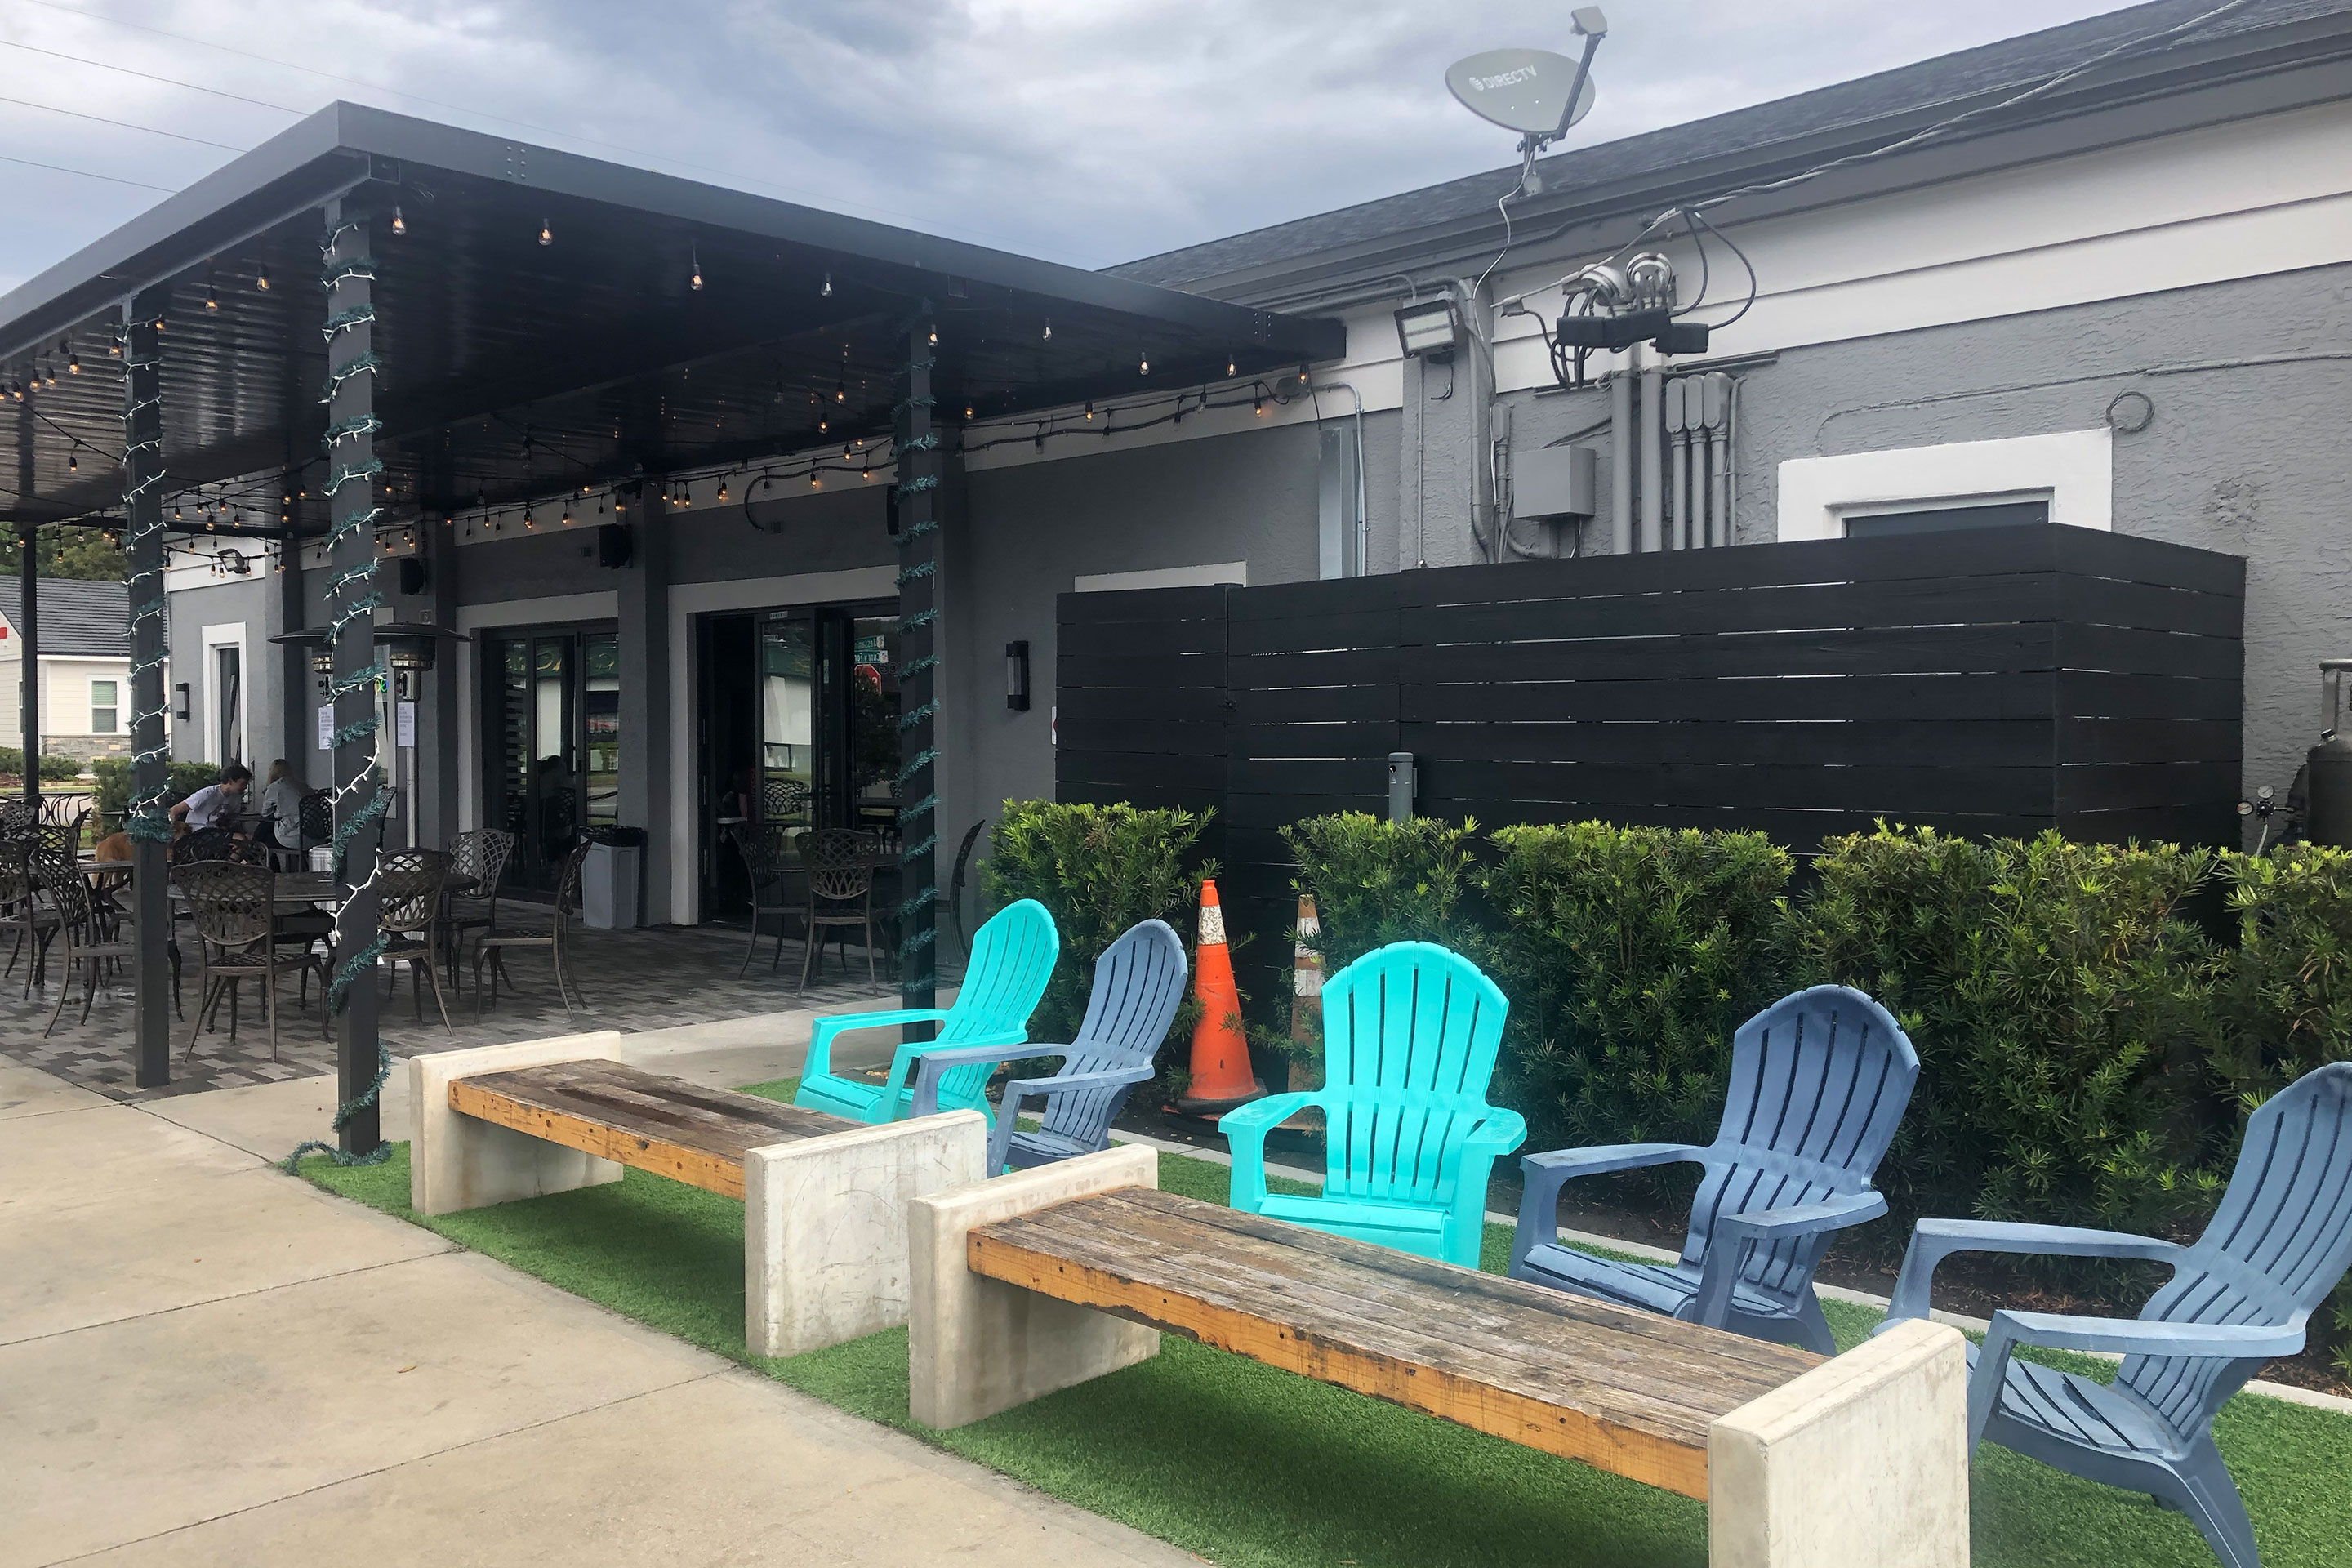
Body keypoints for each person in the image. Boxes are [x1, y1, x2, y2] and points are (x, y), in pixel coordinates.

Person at [170, 763, 252, 834]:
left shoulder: (236, 797)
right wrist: (173, 830)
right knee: (240, 840)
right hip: (197, 831)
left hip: (216, 832)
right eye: (242, 784)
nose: (245, 787)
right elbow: (174, 810)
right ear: (230, 781)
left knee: (246, 839)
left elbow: (232, 817)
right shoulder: (207, 793)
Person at [256, 760, 306, 852]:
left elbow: (265, 814)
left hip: (293, 838)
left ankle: (256, 858)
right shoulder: (304, 786)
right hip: (315, 837)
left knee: (263, 839)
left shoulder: (275, 788)